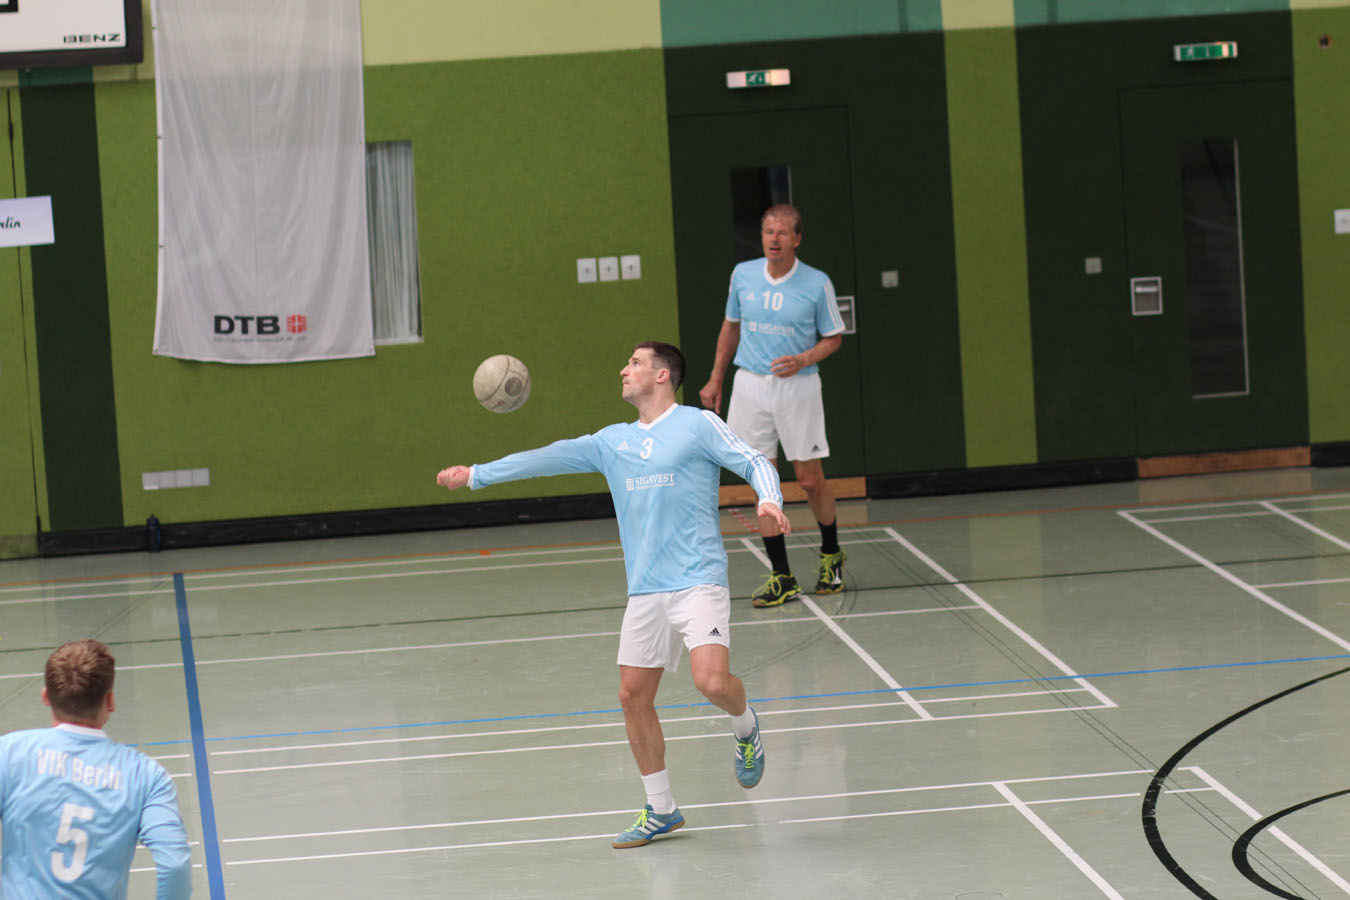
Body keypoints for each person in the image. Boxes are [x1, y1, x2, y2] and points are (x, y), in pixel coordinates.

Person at [437, 341, 790, 849]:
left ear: (663, 375)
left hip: (697, 579)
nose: (624, 370)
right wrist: (476, 475)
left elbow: (753, 459)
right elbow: (546, 458)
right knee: (632, 697)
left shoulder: (696, 425)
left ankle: (746, 724)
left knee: (712, 683)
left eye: (635, 363)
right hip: (645, 589)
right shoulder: (612, 441)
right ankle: (661, 808)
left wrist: (769, 499)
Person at [699, 203, 848, 608]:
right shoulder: (743, 275)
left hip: (798, 387)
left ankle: (831, 555)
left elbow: (834, 337)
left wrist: (804, 358)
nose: (774, 239)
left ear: (797, 238)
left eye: (783, 232)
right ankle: (782, 576)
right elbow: (730, 327)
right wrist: (716, 377)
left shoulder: (817, 282)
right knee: (762, 478)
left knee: (809, 480)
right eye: (768, 232)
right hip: (750, 385)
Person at [0, 639, 192, 899]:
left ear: (46, 696)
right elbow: (175, 863)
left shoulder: (9, 753)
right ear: (110, 700)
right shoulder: (146, 776)